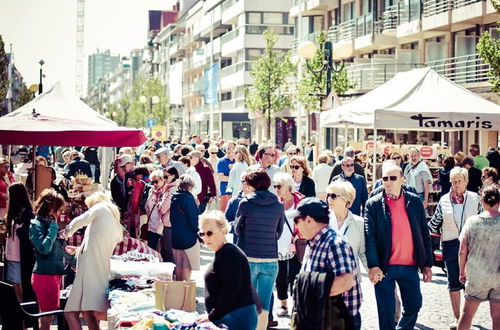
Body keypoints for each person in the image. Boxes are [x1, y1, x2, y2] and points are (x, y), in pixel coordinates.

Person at [364, 162, 433, 330]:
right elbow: (369, 237)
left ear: (403, 179)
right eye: (385, 178)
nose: (388, 182)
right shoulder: (373, 204)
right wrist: (373, 265)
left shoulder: (414, 201)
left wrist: (427, 264)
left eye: (393, 178)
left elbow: (424, 233)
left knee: (414, 305)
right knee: (386, 313)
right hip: (384, 267)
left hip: (409, 266)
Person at [291, 197, 362, 329]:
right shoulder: (313, 242)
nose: (296, 226)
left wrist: (311, 295)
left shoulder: (335, 243)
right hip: (322, 318)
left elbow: (346, 282)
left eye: (297, 221)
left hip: (339, 321)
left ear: (309, 220)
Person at [428, 167, 481, 329]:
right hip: (451, 245)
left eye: (459, 181)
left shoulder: (475, 199)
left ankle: (467, 318)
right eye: (453, 181)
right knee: (453, 283)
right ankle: (458, 319)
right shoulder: (443, 200)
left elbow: (483, 221)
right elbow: (435, 224)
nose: (456, 184)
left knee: (470, 285)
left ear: (466, 181)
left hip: (472, 246)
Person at [63, 192, 123, 330]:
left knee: (71, 313)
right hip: (96, 271)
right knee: (88, 313)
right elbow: (97, 245)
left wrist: (67, 232)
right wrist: (78, 250)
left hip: (89, 272)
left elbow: (80, 220)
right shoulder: (113, 220)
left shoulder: (100, 208)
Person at [235, 168, 285, 329]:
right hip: (270, 258)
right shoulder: (278, 204)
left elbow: (236, 228)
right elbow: (279, 230)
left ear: (252, 184)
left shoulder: (246, 203)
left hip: (248, 256)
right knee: (264, 306)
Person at [196, 211, 258, 329]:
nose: (205, 237)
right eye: (202, 233)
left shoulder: (229, 253)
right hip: (230, 316)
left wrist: (212, 315)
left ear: (224, 231)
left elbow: (231, 289)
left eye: (209, 233)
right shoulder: (223, 252)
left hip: (236, 317)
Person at [457, 186, 500, 330]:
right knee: (498, 317)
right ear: (499, 202)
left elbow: (462, 250)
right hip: (498, 276)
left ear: (482, 201)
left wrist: (462, 271)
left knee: (467, 314)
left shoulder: (472, 222)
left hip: (476, 276)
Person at [29, 189, 70, 330]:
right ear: (50, 207)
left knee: (48, 316)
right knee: (46, 318)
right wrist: (53, 228)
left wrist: (72, 257)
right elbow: (44, 248)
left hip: (53, 275)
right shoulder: (36, 224)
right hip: (44, 276)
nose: (59, 213)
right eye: (58, 209)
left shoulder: (47, 223)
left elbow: (57, 249)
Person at [272, 172, 303, 318]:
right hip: (277, 245)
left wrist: (299, 235)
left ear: (288, 187)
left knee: (296, 276)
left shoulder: (301, 202)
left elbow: (307, 221)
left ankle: (297, 306)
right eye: (275, 186)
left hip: (295, 245)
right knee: (280, 277)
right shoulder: (274, 202)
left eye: (279, 186)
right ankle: (283, 304)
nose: (276, 189)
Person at [4, 182, 36, 303]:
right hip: (12, 256)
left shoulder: (27, 215)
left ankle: (24, 316)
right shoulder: (13, 215)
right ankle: (21, 314)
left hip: (20, 258)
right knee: (15, 285)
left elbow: (28, 237)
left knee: (21, 287)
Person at [326, 181, 367, 272]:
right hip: (326, 279)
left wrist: (373, 272)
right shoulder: (322, 221)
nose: (329, 199)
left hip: (350, 278)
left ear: (346, 200)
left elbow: (363, 253)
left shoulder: (359, 223)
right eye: (328, 195)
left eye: (333, 196)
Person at [170, 175, 200, 281]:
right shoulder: (188, 198)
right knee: (187, 264)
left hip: (175, 235)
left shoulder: (173, 197)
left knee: (178, 264)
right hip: (188, 236)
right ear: (190, 186)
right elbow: (194, 220)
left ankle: (178, 289)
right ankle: (185, 291)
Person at [144, 169, 177, 263]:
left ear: (163, 180)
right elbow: (147, 206)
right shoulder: (151, 191)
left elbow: (163, 209)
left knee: (164, 252)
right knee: (151, 252)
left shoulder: (166, 192)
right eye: (152, 182)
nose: (154, 184)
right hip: (151, 226)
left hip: (162, 228)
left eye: (156, 181)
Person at [216, 142, 236, 212]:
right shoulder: (221, 161)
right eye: (227, 148)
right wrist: (235, 179)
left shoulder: (238, 161)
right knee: (223, 212)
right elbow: (221, 178)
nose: (229, 150)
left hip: (237, 191)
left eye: (231, 148)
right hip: (225, 191)